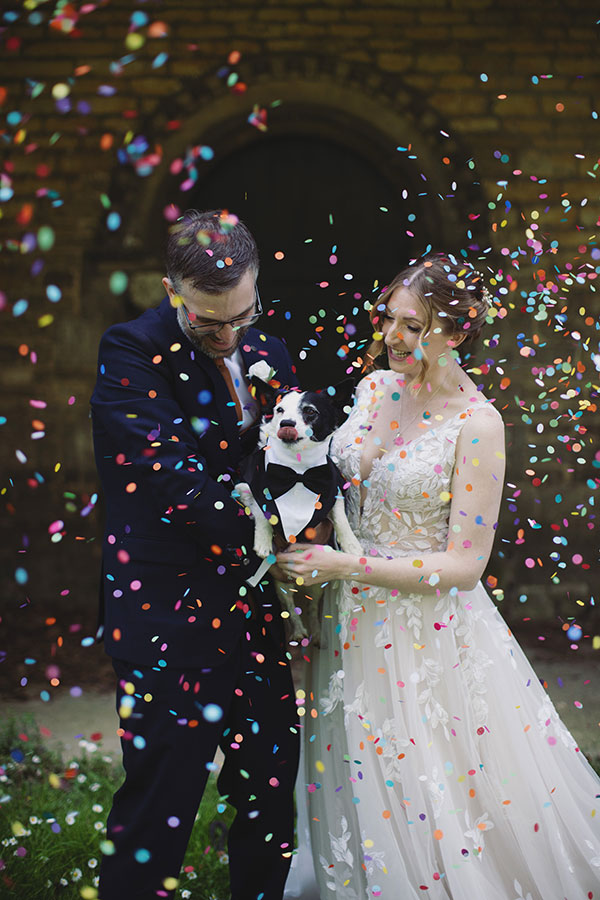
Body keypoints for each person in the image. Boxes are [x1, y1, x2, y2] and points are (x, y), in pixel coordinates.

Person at [277, 253, 600, 899]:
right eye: (388, 319)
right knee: (353, 770)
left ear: (456, 331)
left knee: (430, 782)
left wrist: (348, 565)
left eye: (412, 326)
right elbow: (334, 486)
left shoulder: (477, 425)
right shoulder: (374, 388)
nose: (392, 337)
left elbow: (464, 565)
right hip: (346, 619)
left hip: (426, 633)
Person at [91, 209, 300, 900]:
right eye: (210, 323)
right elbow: (175, 484)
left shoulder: (267, 345)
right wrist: (282, 532)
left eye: (243, 315)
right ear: (170, 289)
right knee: (159, 813)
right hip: (166, 623)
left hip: (255, 618)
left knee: (272, 809)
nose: (230, 335)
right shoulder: (128, 352)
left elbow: (293, 458)